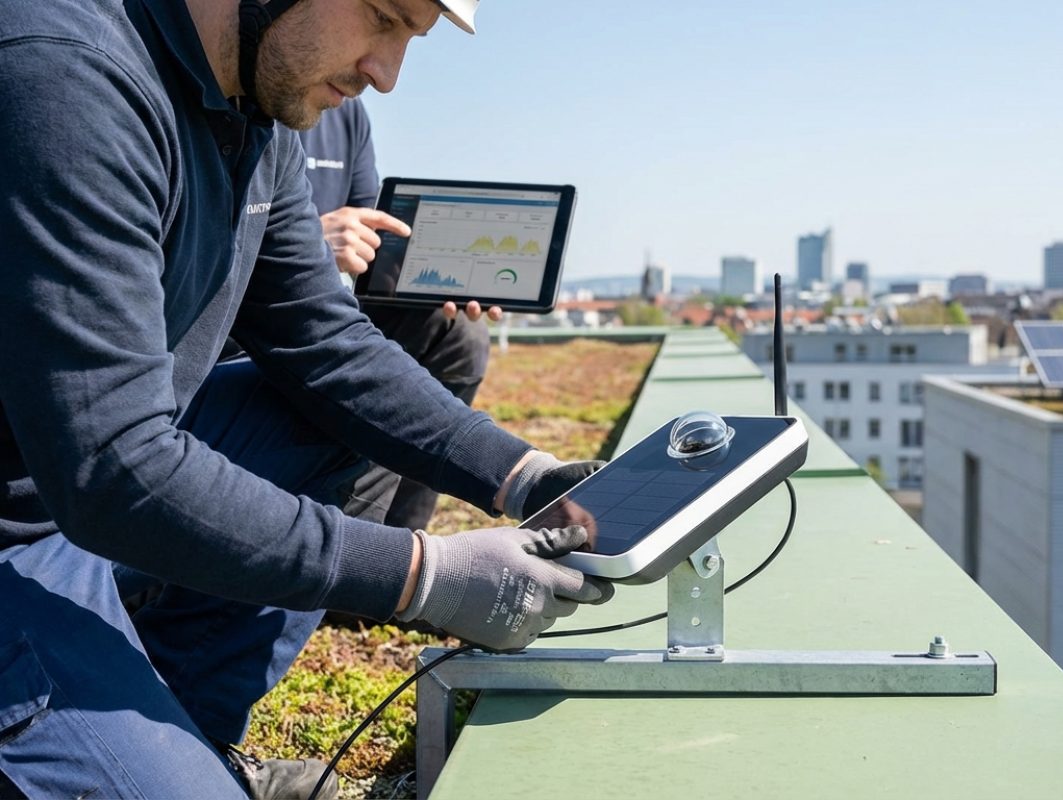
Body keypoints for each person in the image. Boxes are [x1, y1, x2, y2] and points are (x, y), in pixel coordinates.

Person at [0, 1, 613, 798]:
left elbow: (325, 343)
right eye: (383, 18)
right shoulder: (61, 76)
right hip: (26, 525)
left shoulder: (250, 108)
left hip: (69, 493)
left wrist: (528, 477)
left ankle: (190, 727)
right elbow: (115, 467)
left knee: (316, 416)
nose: (385, 75)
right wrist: (426, 574)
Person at [297, 98, 494, 531]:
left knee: (457, 333)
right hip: (255, 321)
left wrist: (451, 276)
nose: (384, 79)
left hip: (318, 311)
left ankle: (399, 538)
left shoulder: (345, 111)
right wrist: (308, 242)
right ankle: (350, 554)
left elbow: (375, 254)